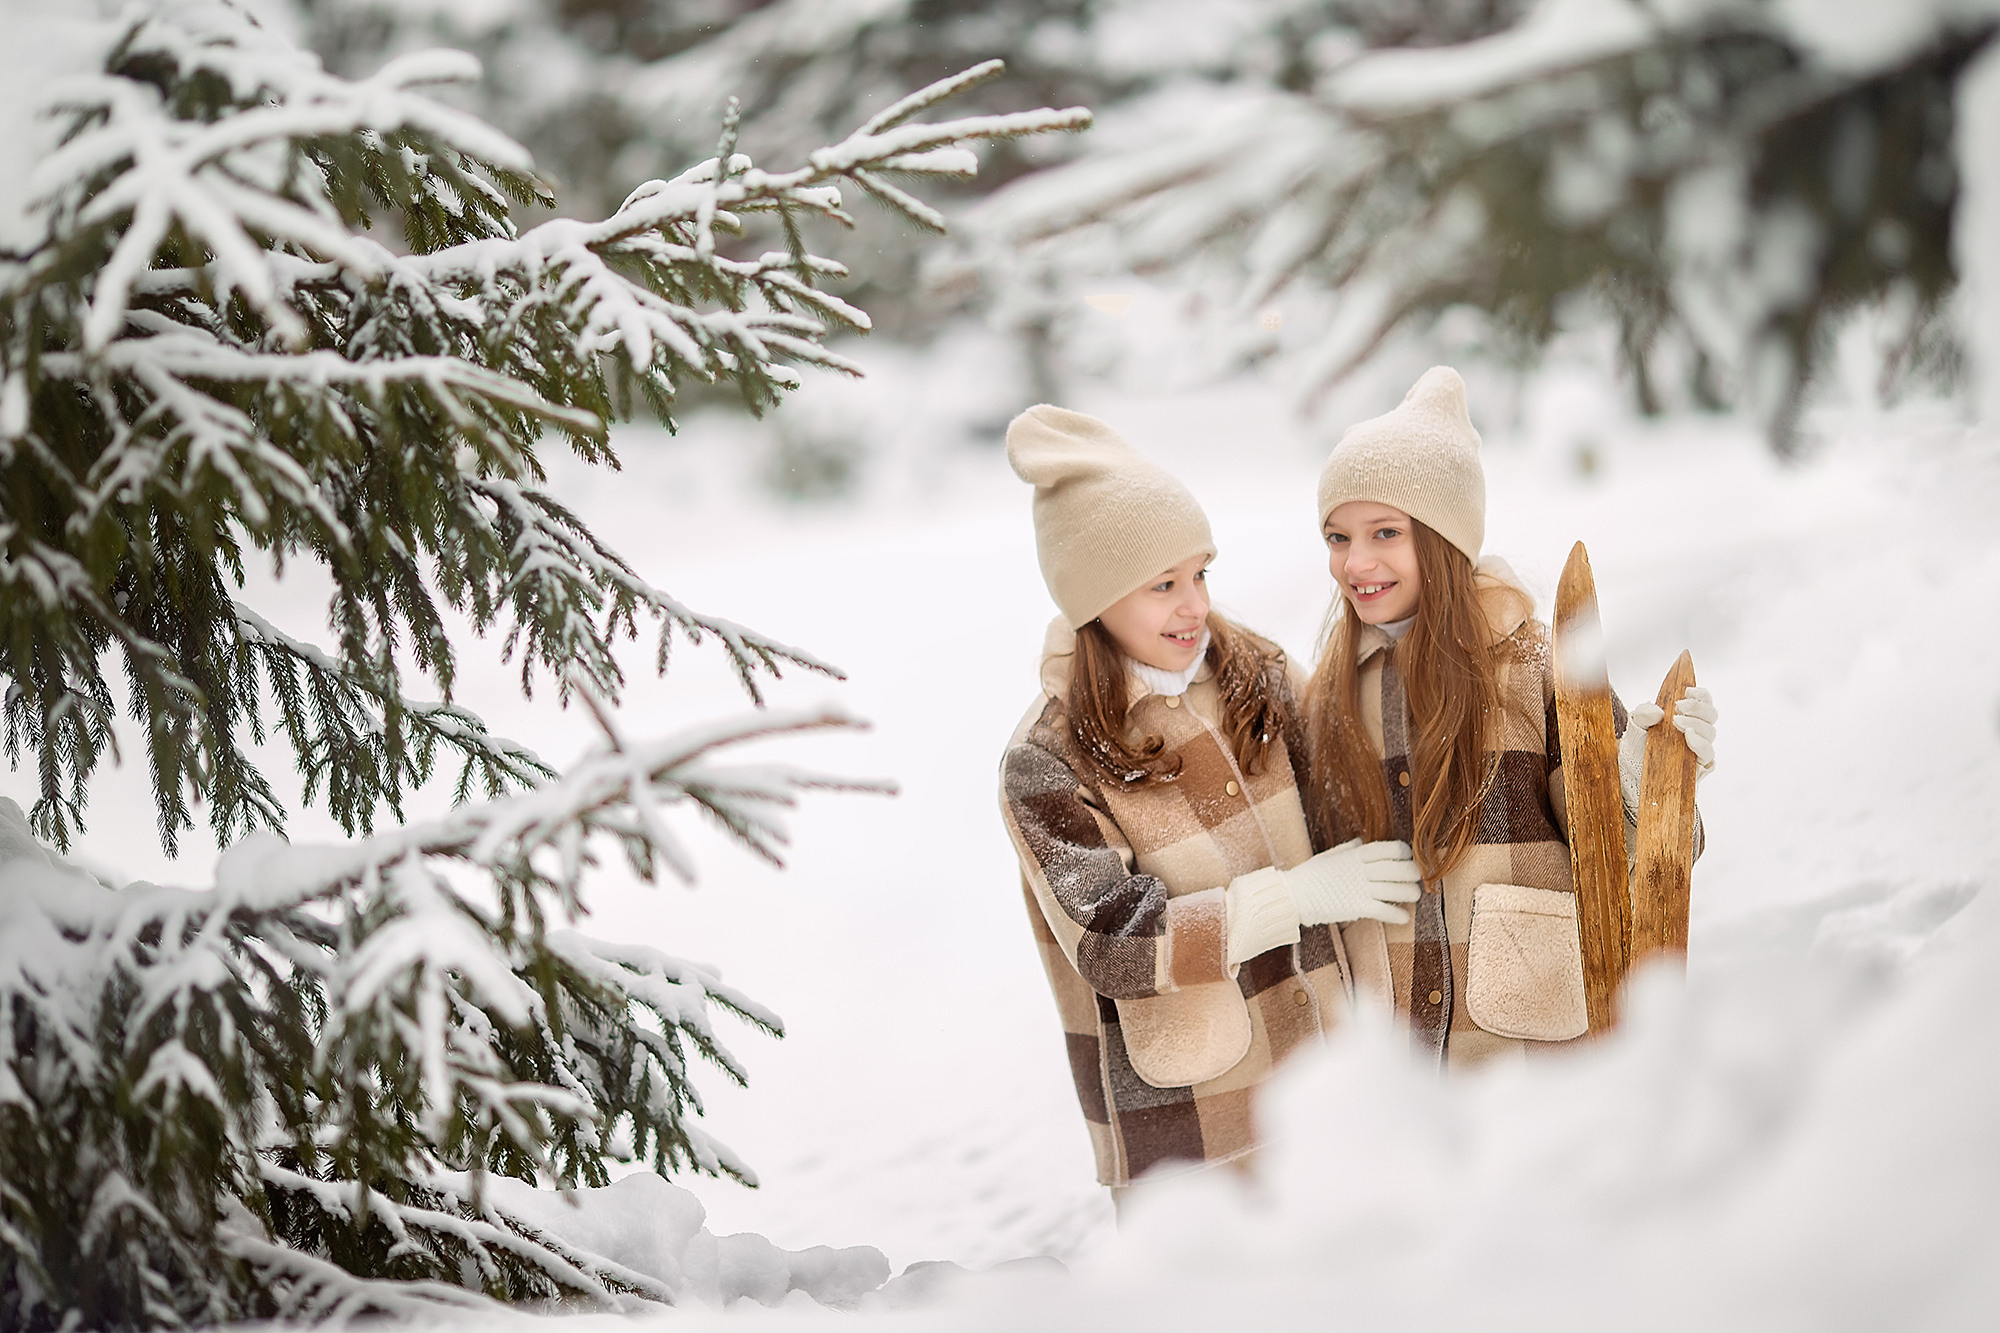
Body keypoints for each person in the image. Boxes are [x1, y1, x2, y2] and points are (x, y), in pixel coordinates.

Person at [997, 404, 1422, 1193]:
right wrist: (1285, 898)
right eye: (1163, 584)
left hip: (1334, 1090)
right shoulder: (1046, 760)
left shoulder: (1254, 672)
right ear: (1095, 598)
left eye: (1200, 573)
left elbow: (1362, 789)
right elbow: (1114, 942)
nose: (1195, 605)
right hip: (1195, 1133)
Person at [1303, 366, 1719, 1068]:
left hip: (1531, 1060)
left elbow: (1625, 855)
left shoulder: (1534, 668)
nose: (1356, 562)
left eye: (1384, 532)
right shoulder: (1334, 696)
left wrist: (1643, 780)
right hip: (1407, 1083)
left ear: (1442, 537)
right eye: (1337, 537)